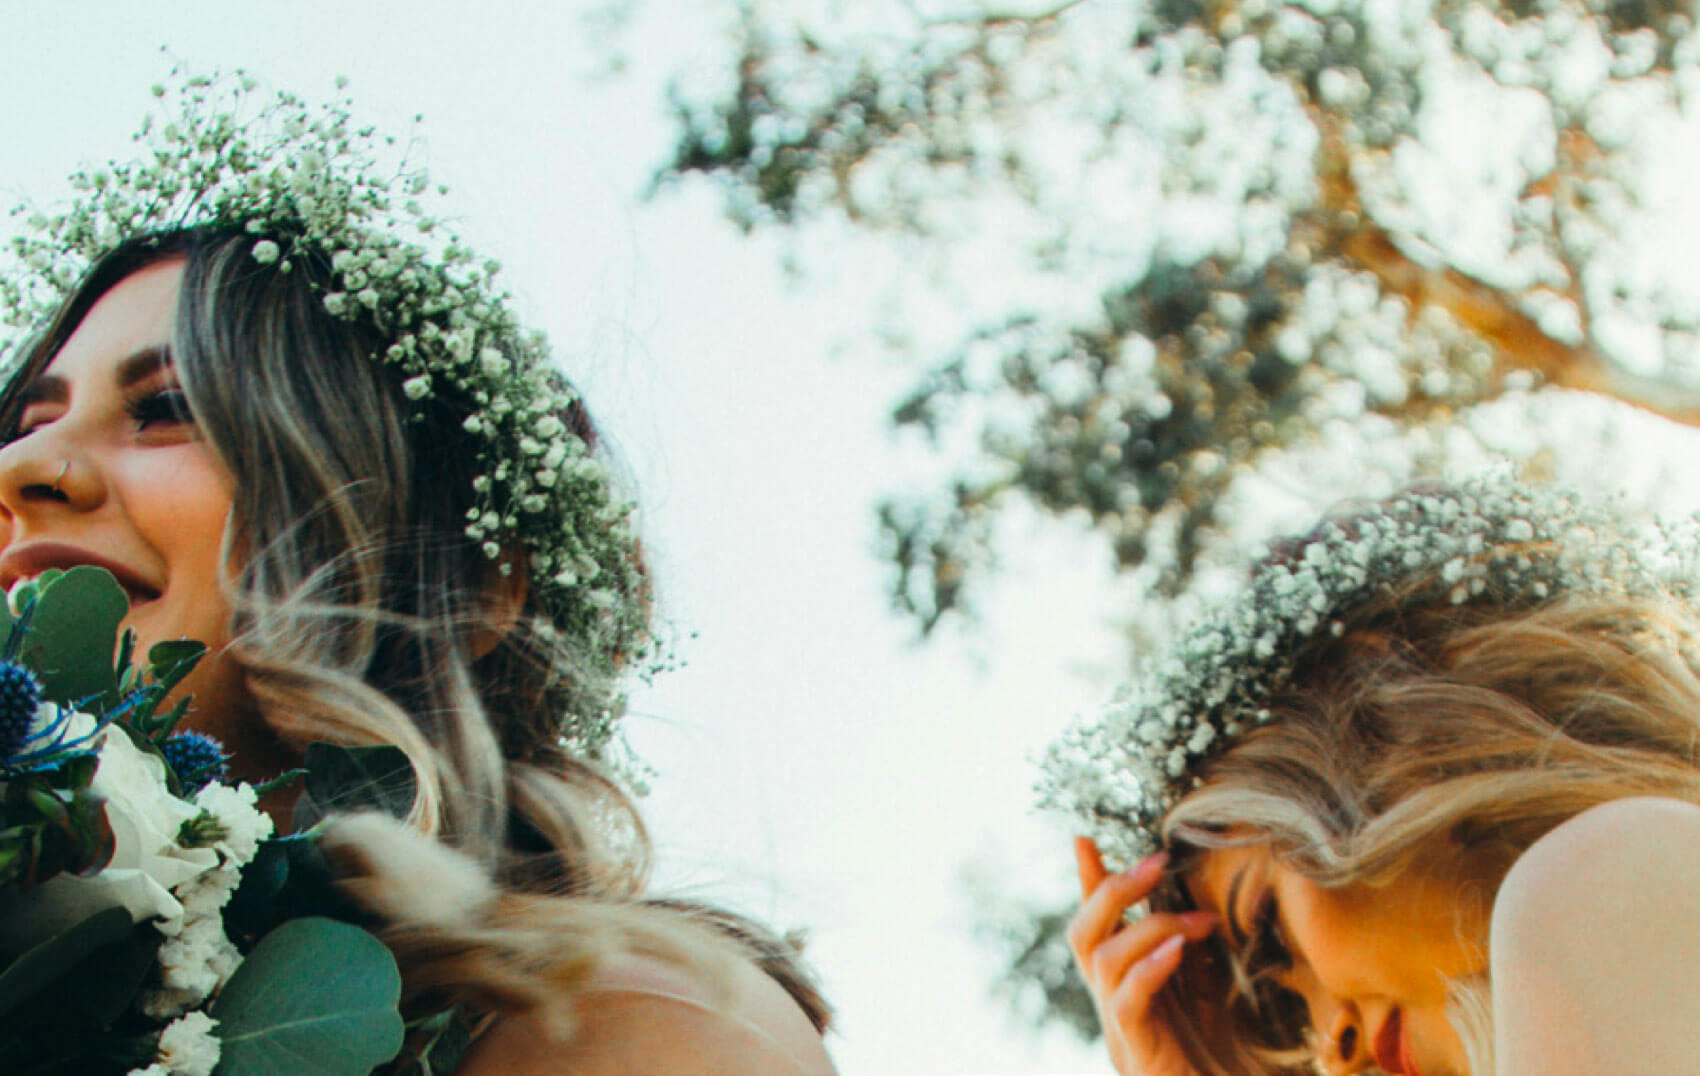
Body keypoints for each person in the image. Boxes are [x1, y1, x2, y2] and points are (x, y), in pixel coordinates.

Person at [0, 75, 835, 1075]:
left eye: (169, 405)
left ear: (464, 581)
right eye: (27, 422)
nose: (22, 467)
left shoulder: (612, 1020)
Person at [1043, 481, 1700, 1075]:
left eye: (1271, 931)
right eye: (1289, 1010)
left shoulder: (1611, 872)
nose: (1334, 1045)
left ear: (1392, 729)